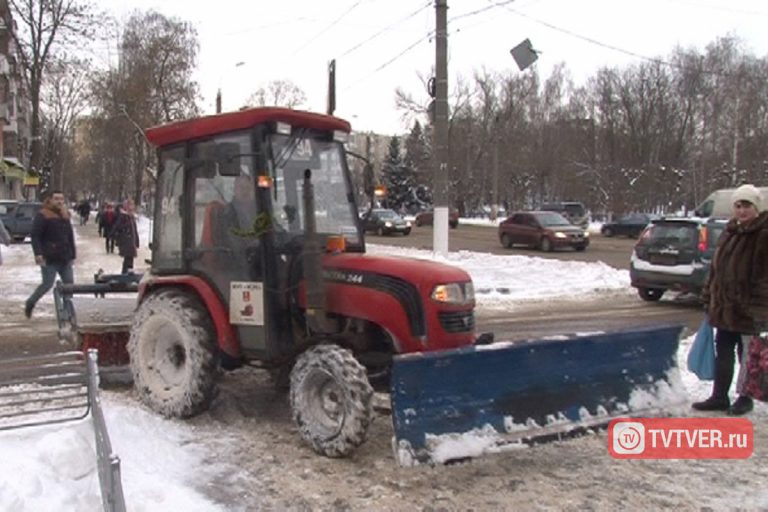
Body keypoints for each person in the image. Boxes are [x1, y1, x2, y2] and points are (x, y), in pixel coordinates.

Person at [693, 184, 768, 416]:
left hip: (748, 311)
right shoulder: (730, 231)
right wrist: (708, 295)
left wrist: (758, 308)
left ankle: (744, 397)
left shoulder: (763, 234)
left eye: (747, 206)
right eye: (738, 205)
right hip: (724, 308)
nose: (742, 210)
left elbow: (765, 277)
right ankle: (719, 396)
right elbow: (716, 269)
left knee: (746, 355)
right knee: (723, 352)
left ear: (756, 207)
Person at [24, 190, 76, 319]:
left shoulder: (65, 215)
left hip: (65, 258)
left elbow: (70, 236)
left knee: (69, 286)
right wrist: (38, 253)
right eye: (56, 198)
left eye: (61, 199)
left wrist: (73, 254)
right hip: (50, 257)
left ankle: (67, 313)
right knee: (47, 284)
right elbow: (35, 236)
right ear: (50, 200)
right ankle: (31, 302)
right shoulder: (43, 215)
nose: (59, 201)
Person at [110, 199, 139, 274]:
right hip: (126, 241)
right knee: (128, 259)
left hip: (130, 241)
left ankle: (126, 275)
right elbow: (117, 227)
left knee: (129, 259)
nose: (132, 208)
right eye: (130, 206)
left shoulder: (131, 216)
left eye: (132, 206)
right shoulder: (123, 216)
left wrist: (137, 241)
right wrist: (125, 226)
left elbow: (134, 230)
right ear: (126, 207)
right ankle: (126, 275)